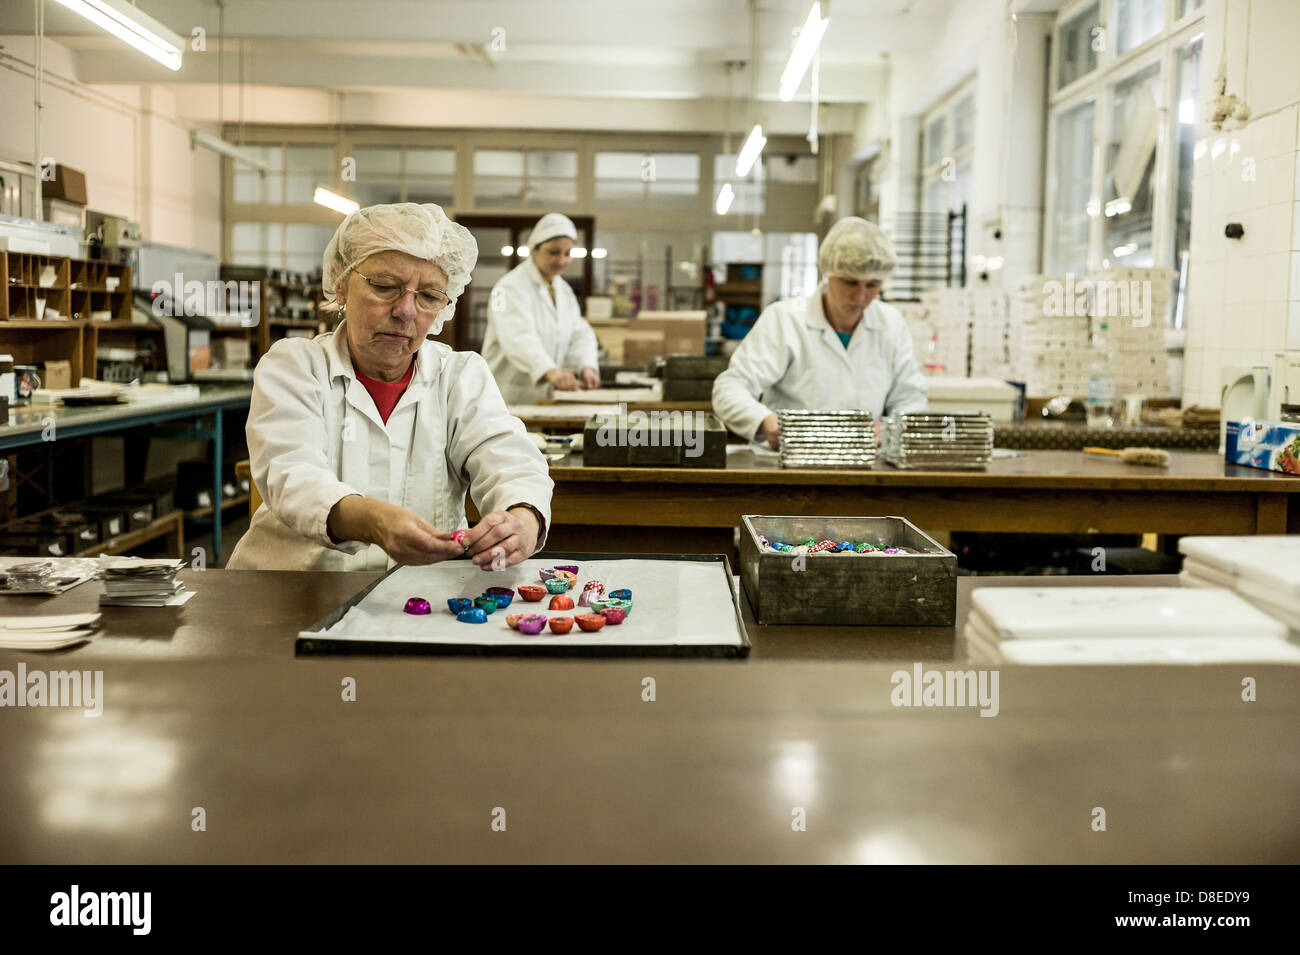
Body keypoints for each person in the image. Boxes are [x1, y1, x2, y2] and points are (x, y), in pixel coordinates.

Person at [226, 202, 552, 572]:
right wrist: (372, 520)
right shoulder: (294, 367)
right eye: (385, 286)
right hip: (294, 593)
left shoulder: (460, 376)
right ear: (340, 283)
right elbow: (293, 475)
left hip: (419, 598)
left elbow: (510, 459)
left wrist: (522, 517)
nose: (407, 311)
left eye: (429, 296)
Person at [711, 217, 927, 448]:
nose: (860, 296)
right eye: (850, 282)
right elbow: (731, 387)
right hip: (788, 464)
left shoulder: (891, 324)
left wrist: (888, 429)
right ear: (828, 273)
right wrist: (765, 422)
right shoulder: (785, 319)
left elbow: (910, 399)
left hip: (865, 465)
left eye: (872, 285)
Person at [481, 212, 600, 403]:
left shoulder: (564, 291)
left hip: (545, 396)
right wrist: (550, 372)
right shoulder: (507, 287)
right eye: (554, 252)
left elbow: (579, 334)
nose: (562, 260)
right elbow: (517, 337)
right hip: (508, 395)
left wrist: (586, 366)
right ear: (534, 249)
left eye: (568, 253)